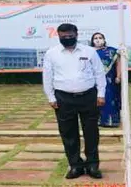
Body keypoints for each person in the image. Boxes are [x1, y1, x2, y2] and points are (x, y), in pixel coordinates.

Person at [42, 23, 106, 180]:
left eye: (70, 35)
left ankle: (92, 165)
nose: (67, 38)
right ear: (59, 36)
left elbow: (99, 73)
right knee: (68, 133)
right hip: (63, 98)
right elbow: (47, 77)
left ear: (76, 34)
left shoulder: (89, 51)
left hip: (89, 97)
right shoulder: (52, 53)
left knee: (91, 132)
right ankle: (75, 165)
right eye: (63, 36)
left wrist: (101, 94)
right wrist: (51, 97)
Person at [90, 32, 120, 128]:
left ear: (104, 39)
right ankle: (97, 120)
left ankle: (111, 121)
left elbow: (118, 64)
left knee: (109, 98)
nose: (98, 40)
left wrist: (118, 76)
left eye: (100, 37)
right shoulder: (89, 51)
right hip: (93, 81)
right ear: (92, 40)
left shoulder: (111, 51)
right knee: (94, 100)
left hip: (109, 80)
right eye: (95, 38)